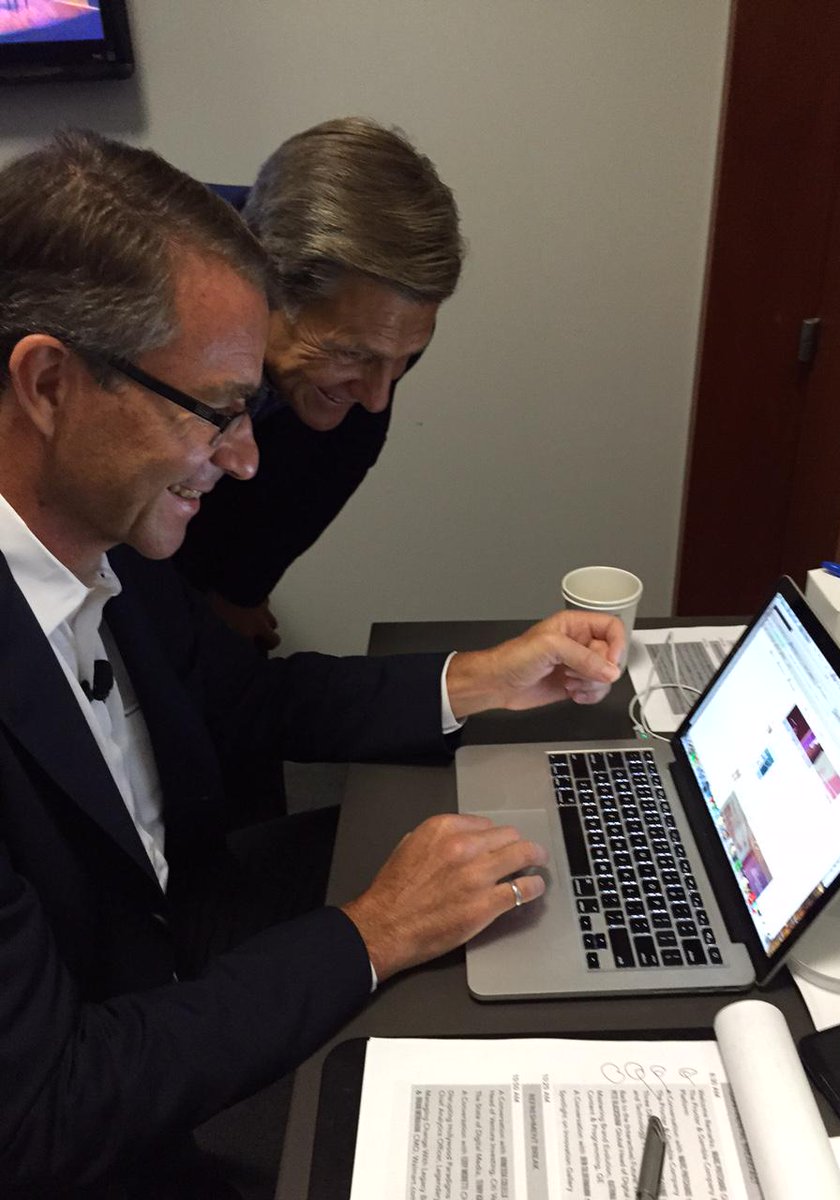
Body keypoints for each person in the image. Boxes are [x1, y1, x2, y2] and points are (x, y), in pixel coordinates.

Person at [0, 131, 624, 1199]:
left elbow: (245, 701)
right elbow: (45, 1113)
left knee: (542, 869)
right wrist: (373, 933)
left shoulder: (109, 534)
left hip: (181, 921)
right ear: (51, 383)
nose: (247, 457)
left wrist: (482, 677)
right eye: (216, 412)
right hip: (102, 1099)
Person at [175, 116, 463, 650]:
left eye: (403, 359)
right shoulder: (140, 294)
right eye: (352, 354)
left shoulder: (379, 327)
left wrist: (242, 589)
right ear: (259, 287)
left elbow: (336, 456)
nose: (377, 397)